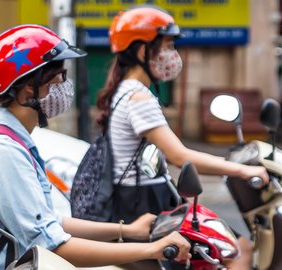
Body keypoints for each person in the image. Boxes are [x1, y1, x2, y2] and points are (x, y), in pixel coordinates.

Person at [0, 24, 191, 269]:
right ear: (29, 90)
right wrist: (153, 249)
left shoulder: (9, 141)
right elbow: (52, 246)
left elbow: (46, 221)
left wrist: (127, 230)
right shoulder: (2, 152)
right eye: (58, 78)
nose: (64, 87)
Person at [96, 5, 270, 269]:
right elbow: (179, 156)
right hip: (143, 204)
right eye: (166, 46)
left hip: (137, 200)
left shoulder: (125, 90)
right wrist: (242, 170)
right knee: (238, 250)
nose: (172, 55)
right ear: (143, 50)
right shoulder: (138, 97)